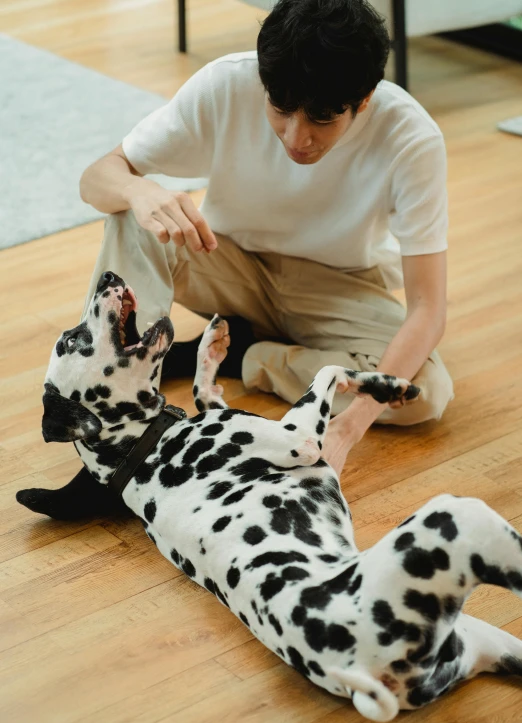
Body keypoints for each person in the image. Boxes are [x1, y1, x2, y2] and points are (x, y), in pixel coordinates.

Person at [18, 0, 453, 520]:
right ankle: (115, 449)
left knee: (425, 394)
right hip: (229, 262)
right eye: (281, 110)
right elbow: (98, 176)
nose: (297, 137)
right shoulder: (226, 84)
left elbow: (428, 308)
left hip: (338, 283)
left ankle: (249, 353)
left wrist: (346, 427)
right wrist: (139, 191)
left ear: (362, 101)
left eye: (321, 119)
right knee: (128, 216)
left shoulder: (411, 138)